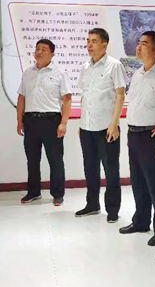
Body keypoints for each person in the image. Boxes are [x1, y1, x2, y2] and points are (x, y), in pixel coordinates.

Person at [119, 31, 155, 246]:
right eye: (138, 43)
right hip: (134, 133)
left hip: (151, 135)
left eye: (144, 44)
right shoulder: (138, 73)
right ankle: (141, 221)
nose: (138, 47)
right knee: (138, 181)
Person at [75, 28, 126, 223]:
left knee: (111, 170)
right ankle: (92, 204)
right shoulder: (85, 66)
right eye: (88, 40)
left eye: (94, 41)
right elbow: (85, 95)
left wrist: (114, 124)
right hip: (87, 127)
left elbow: (120, 95)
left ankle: (112, 209)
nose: (89, 44)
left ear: (105, 44)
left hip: (107, 128)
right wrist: (82, 123)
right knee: (90, 168)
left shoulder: (114, 65)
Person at [17, 39, 72, 206]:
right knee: (32, 159)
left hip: (51, 121)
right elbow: (22, 97)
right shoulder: (28, 73)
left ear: (52, 54)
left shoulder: (60, 73)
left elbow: (67, 99)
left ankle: (58, 194)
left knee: (55, 159)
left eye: (44, 49)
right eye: (37, 49)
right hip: (31, 120)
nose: (39, 52)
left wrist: (63, 123)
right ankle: (33, 192)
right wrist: (19, 121)